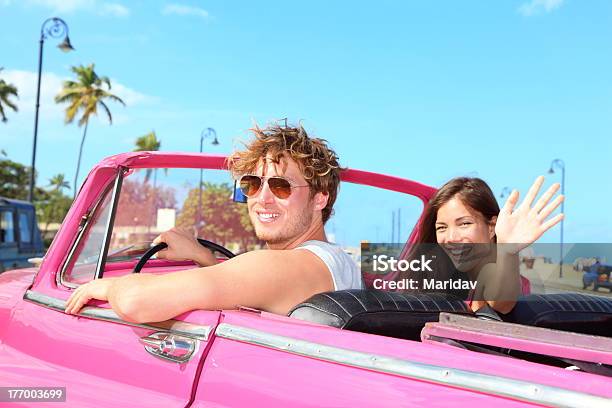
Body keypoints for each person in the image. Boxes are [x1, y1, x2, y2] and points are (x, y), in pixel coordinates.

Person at [65, 124, 362, 322]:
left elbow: (136, 300)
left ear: (320, 199)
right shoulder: (337, 263)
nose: (263, 198)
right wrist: (202, 257)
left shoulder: (294, 265)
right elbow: (251, 289)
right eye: (252, 185)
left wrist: (107, 287)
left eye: (281, 186)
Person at [407, 176, 564, 313]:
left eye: (464, 224)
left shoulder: (489, 272)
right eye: (441, 227)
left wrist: (507, 250)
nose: (451, 238)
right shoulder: (447, 277)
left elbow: (501, 302)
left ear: (491, 228)